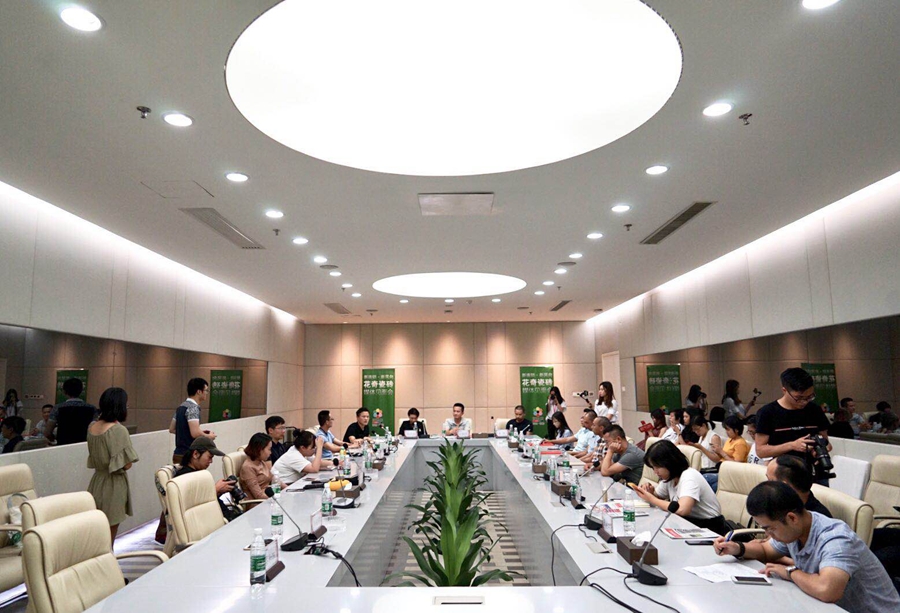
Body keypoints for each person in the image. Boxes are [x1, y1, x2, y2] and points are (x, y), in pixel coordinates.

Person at [713, 481, 900, 612]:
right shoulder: (796, 529)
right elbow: (765, 550)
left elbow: (827, 590)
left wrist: (790, 572)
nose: (769, 534)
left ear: (791, 518)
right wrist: (737, 548)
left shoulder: (836, 539)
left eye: (770, 528)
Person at [634, 439, 728, 534]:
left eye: (657, 467)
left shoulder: (689, 476)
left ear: (669, 462)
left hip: (710, 528)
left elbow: (682, 509)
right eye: (653, 467)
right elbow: (658, 496)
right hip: (687, 524)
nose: (655, 472)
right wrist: (650, 492)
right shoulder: (671, 477)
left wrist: (652, 499)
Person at [755, 368, 831, 484]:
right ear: (784, 390)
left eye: (809, 397)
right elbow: (761, 451)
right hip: (784, 475)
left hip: (816, 473)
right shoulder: (767, 413)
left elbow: (827, 443)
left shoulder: (815, 410)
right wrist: (792, 445)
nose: (804, 402)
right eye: (799, 398)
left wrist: (819, 450)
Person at [86, 387, 138, 542]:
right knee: (109, 535)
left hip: (96, 482)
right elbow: (126, 464)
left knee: (97, 530)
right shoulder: (118, 430)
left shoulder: (92, 427)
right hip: (114, 484)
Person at [174, 437, 236, 521]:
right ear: (195, 454)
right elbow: (192, 505)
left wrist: (219, 491)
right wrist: (216, 489)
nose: (211, 461)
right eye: (209, 457)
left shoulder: (199, 474)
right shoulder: (184, 477)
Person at [169, 377, 216, 465]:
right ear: (199, 391)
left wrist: (194, 432)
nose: (206, 393)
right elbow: (195, 433)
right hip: (188, 456)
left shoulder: (181, 407)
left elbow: (172, 429)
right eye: (206, 390)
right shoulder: (193, 408)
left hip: (178, 454)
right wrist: (209, 436)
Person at [767, 455, 832, 518]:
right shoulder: (776, 505)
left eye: (770, 481)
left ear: (785, 486)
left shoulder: (817, 519)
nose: (767, 486)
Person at [45, 377, 97, 445]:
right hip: (84, 445)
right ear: (81, 391)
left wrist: (54, 439)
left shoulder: (57, 408)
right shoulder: (92, 408)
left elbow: (48, 432)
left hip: (63, 444)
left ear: (64, 391)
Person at [239, 432, 284, 505]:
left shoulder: (261, 462)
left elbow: (273, 478)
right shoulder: (248, 467)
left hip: (268, 500)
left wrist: (287, 489)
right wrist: (278, 499)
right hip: (257, 504)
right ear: (260, 449)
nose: (270, 453)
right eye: (269, 449)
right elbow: (258, 495)